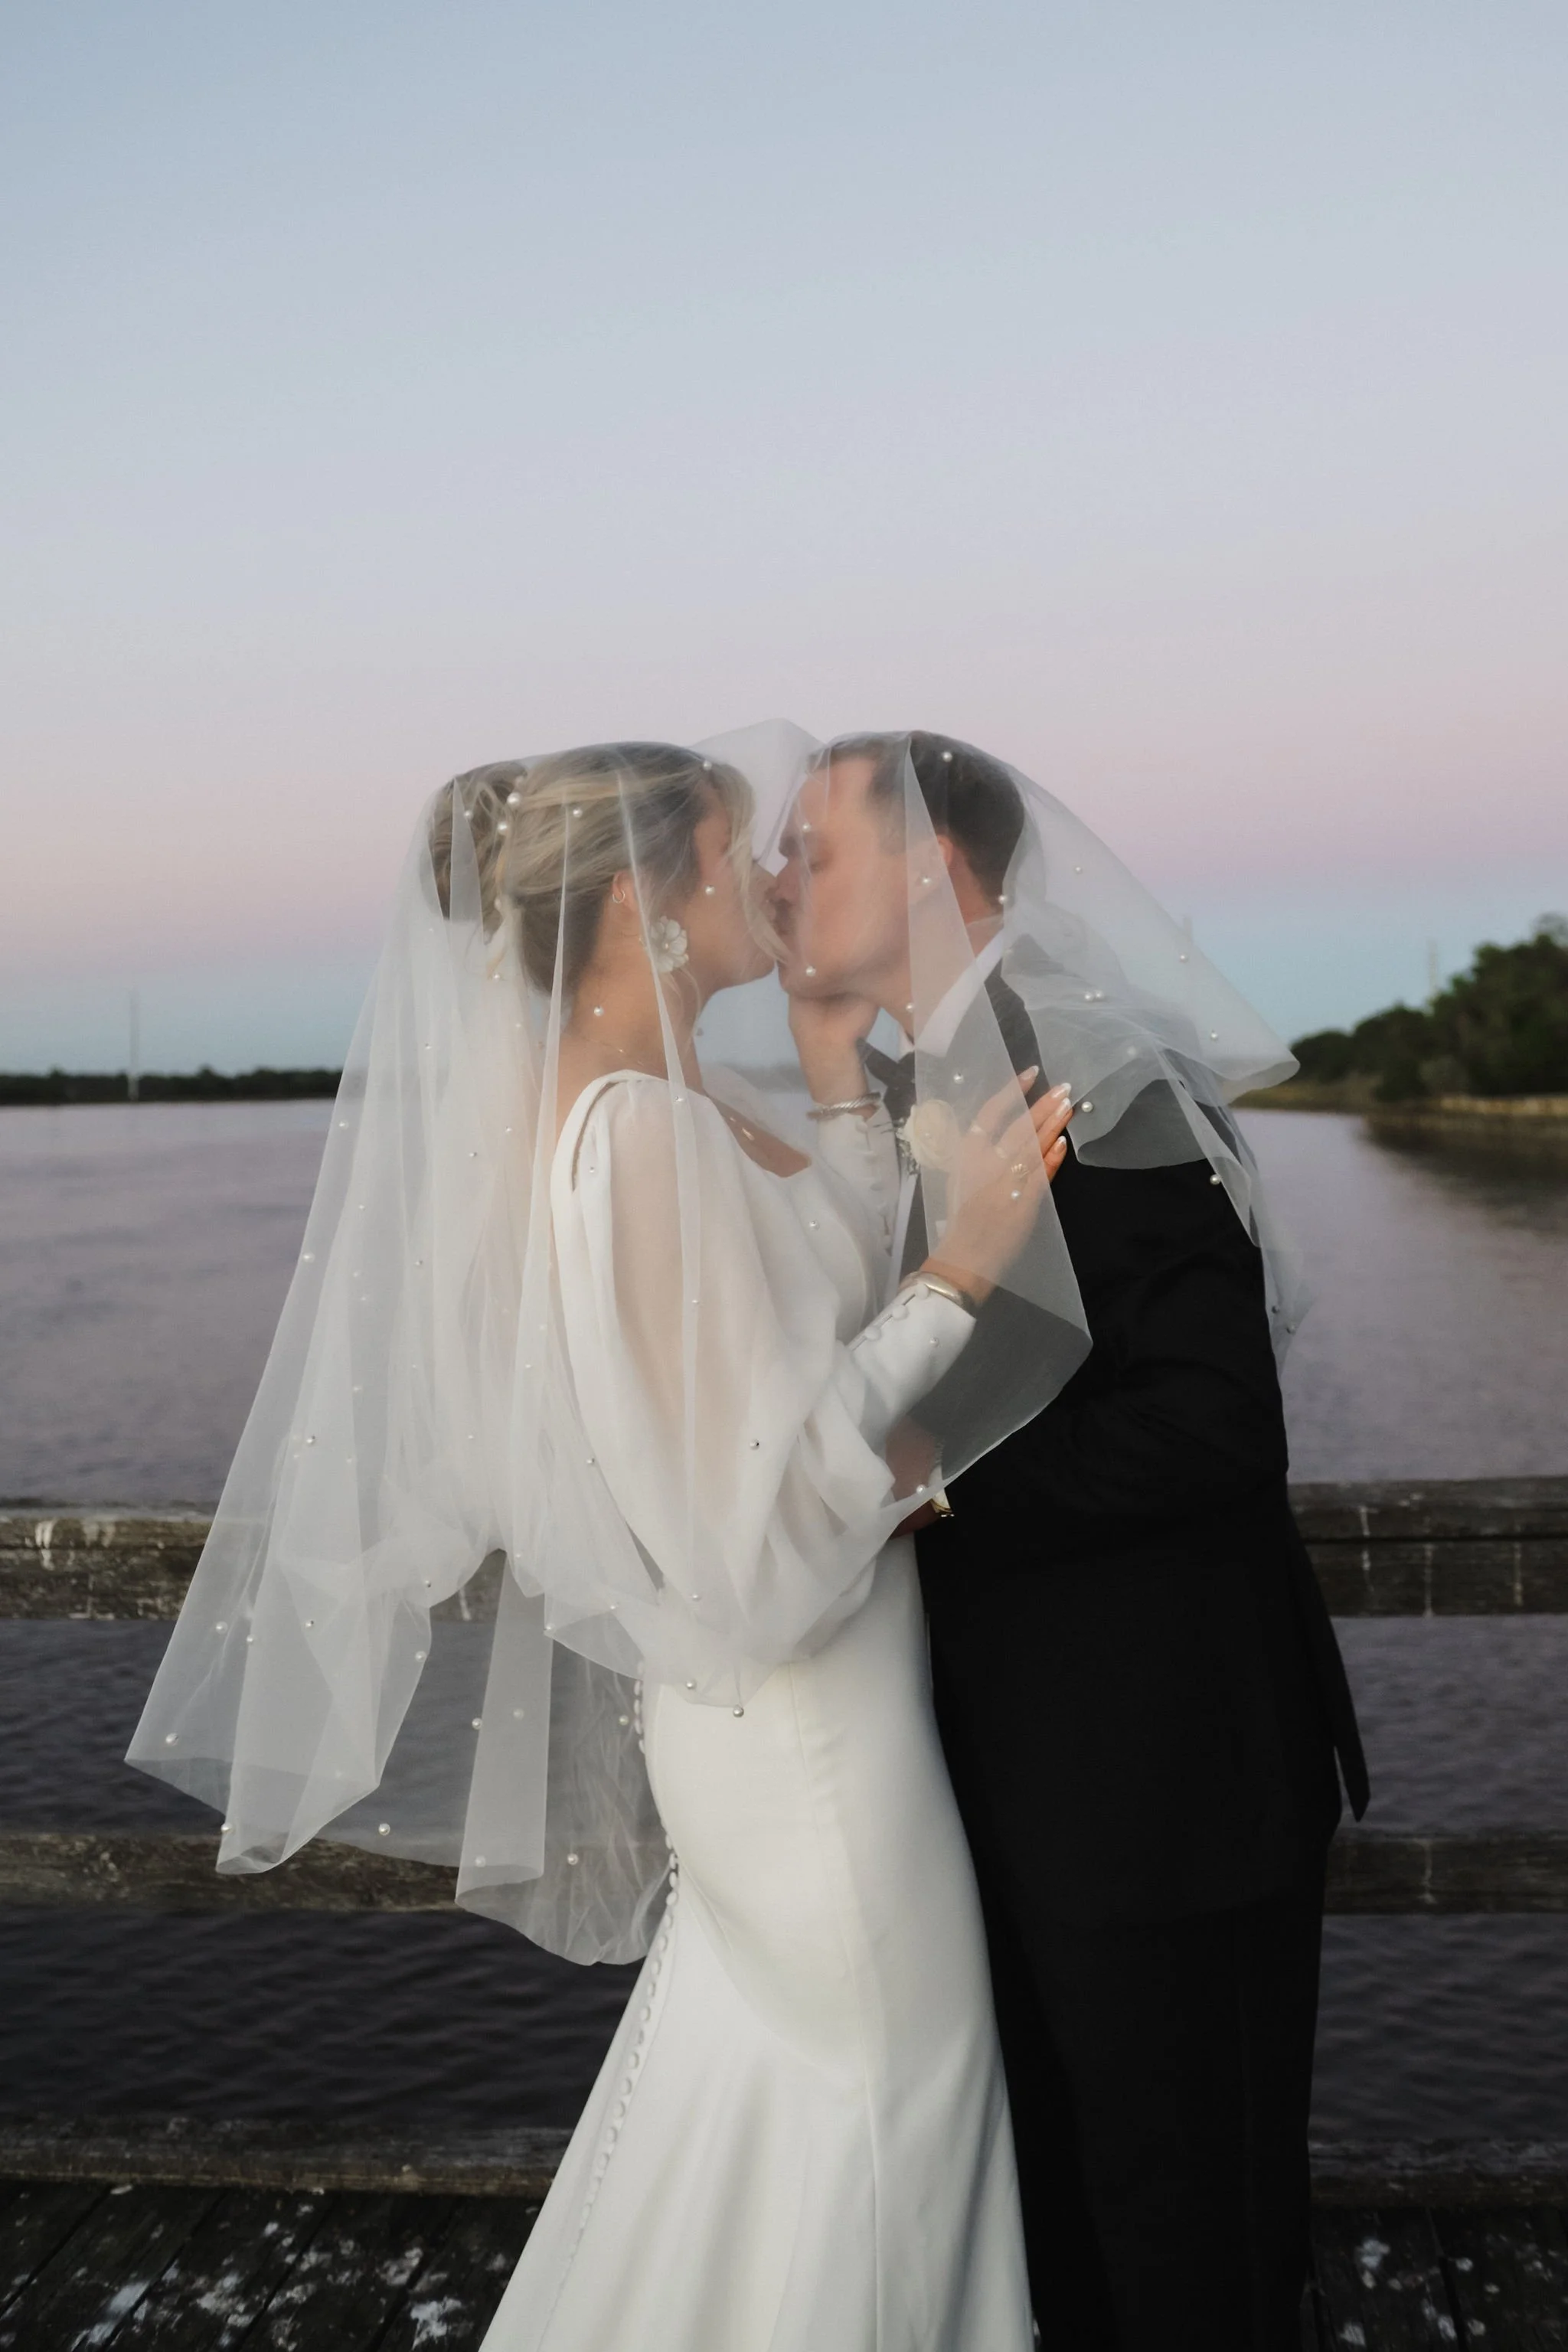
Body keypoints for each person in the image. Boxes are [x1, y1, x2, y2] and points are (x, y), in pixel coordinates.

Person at [129, 735, 1080, 2351]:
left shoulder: (651, 1104)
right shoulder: (633, 1133)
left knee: (777, 2113)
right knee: (893, 2125)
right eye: (738, 854)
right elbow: (756, 1530)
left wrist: (833, 1067)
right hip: (808, 1739)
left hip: (782, 1729)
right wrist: (968, 1268)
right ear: (658, 895)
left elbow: (787, 1314)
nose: (771, 880)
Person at [773, 730, 1369, 2352]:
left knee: (1181, 2228)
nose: (778, 878)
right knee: (1078, 2225)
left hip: (1159, 1767)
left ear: (929, 867)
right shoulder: (928, 1074)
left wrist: (930, 1483)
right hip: (1035, 1763)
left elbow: (1213, 1422)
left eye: (812, 846)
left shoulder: (1081, 1070)